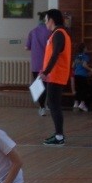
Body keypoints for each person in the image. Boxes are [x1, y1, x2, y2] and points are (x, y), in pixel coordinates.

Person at [39, 9, 72, 146]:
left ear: (51, 20)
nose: (45, 22)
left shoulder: (59, 34)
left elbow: (55, 55)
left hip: (56, 75)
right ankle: (58, 134)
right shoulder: (57, 33)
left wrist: (46, 72)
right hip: (53, 75)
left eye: (46, 19)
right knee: (53, 104)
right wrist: (45, 71)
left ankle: (59, 137)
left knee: (54, 105)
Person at [26, 12, 50, 116]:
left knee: (38, 86)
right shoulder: (50, 32)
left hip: (36, 64)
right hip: (47, 64)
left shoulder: (32, 32)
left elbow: (27, 47)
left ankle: (42, 107)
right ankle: (48, 104)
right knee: (47, 85)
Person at [71, 43, 92, 112]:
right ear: (83, 49)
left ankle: (76, 103)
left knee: (78, 89)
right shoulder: (85, 56)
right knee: (84, 89)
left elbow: (73, 66)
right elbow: (84, 65)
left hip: (76, 75)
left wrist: (77, 69)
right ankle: (82, 103)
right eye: (86, 48)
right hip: (82, 75)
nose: (87, 49)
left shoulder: (76, 56)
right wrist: (91, 69)